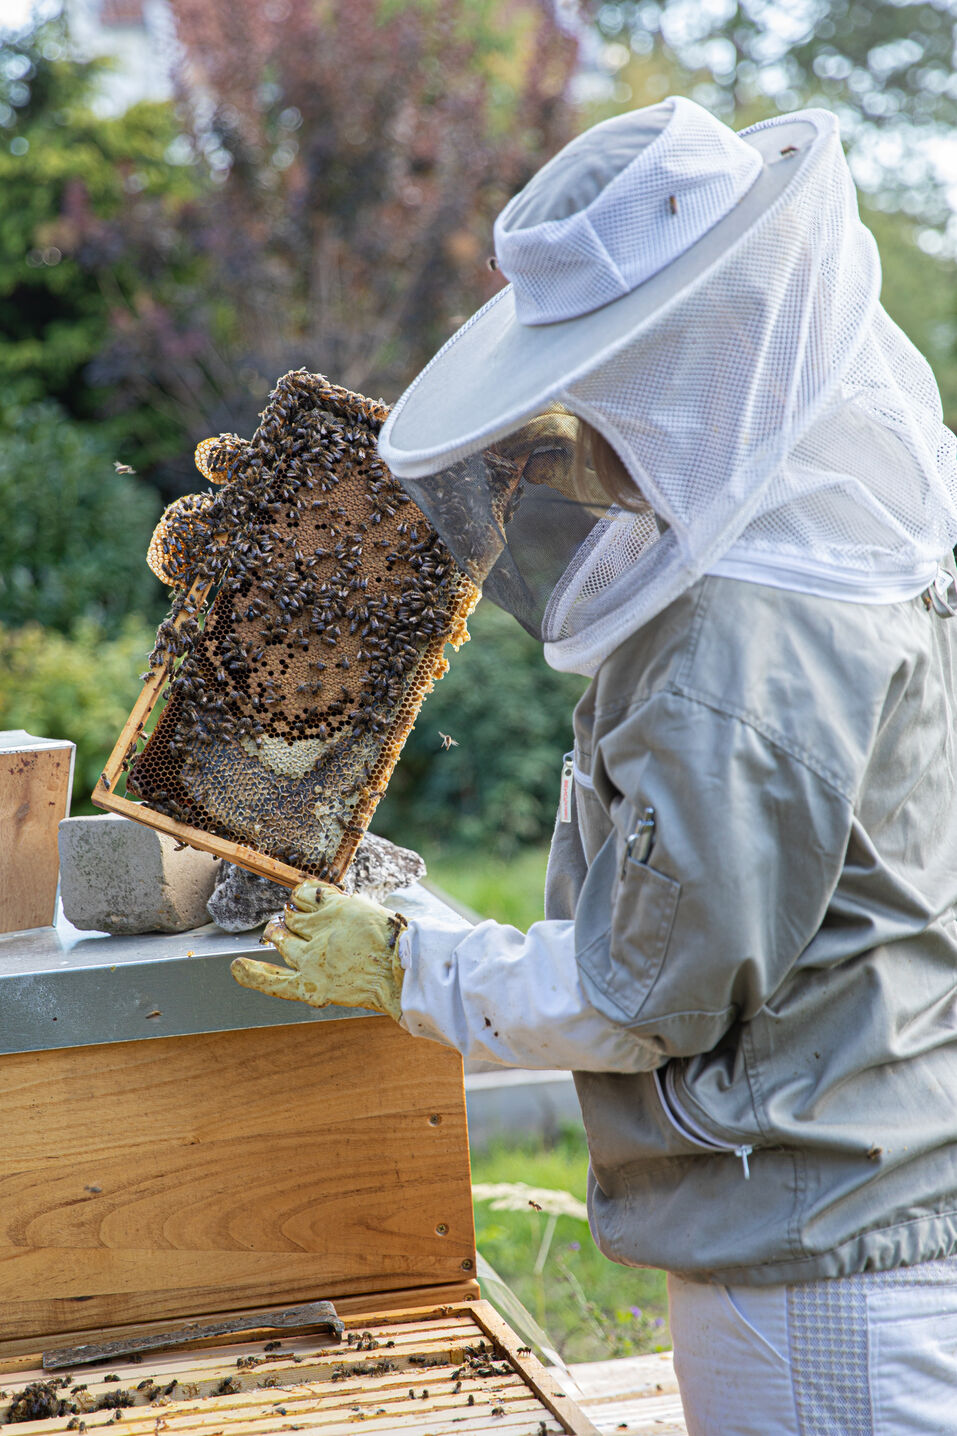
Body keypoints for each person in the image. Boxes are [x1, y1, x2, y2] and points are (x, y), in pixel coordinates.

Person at [232, 96, 957, 1434]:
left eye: (616, 373)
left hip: (817, 1265)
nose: (587, 408)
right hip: (885, 1182)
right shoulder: (871, 506)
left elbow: (648, 992)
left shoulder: (739, 647)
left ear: (685, 359)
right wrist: (609, 460)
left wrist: (406, 960)